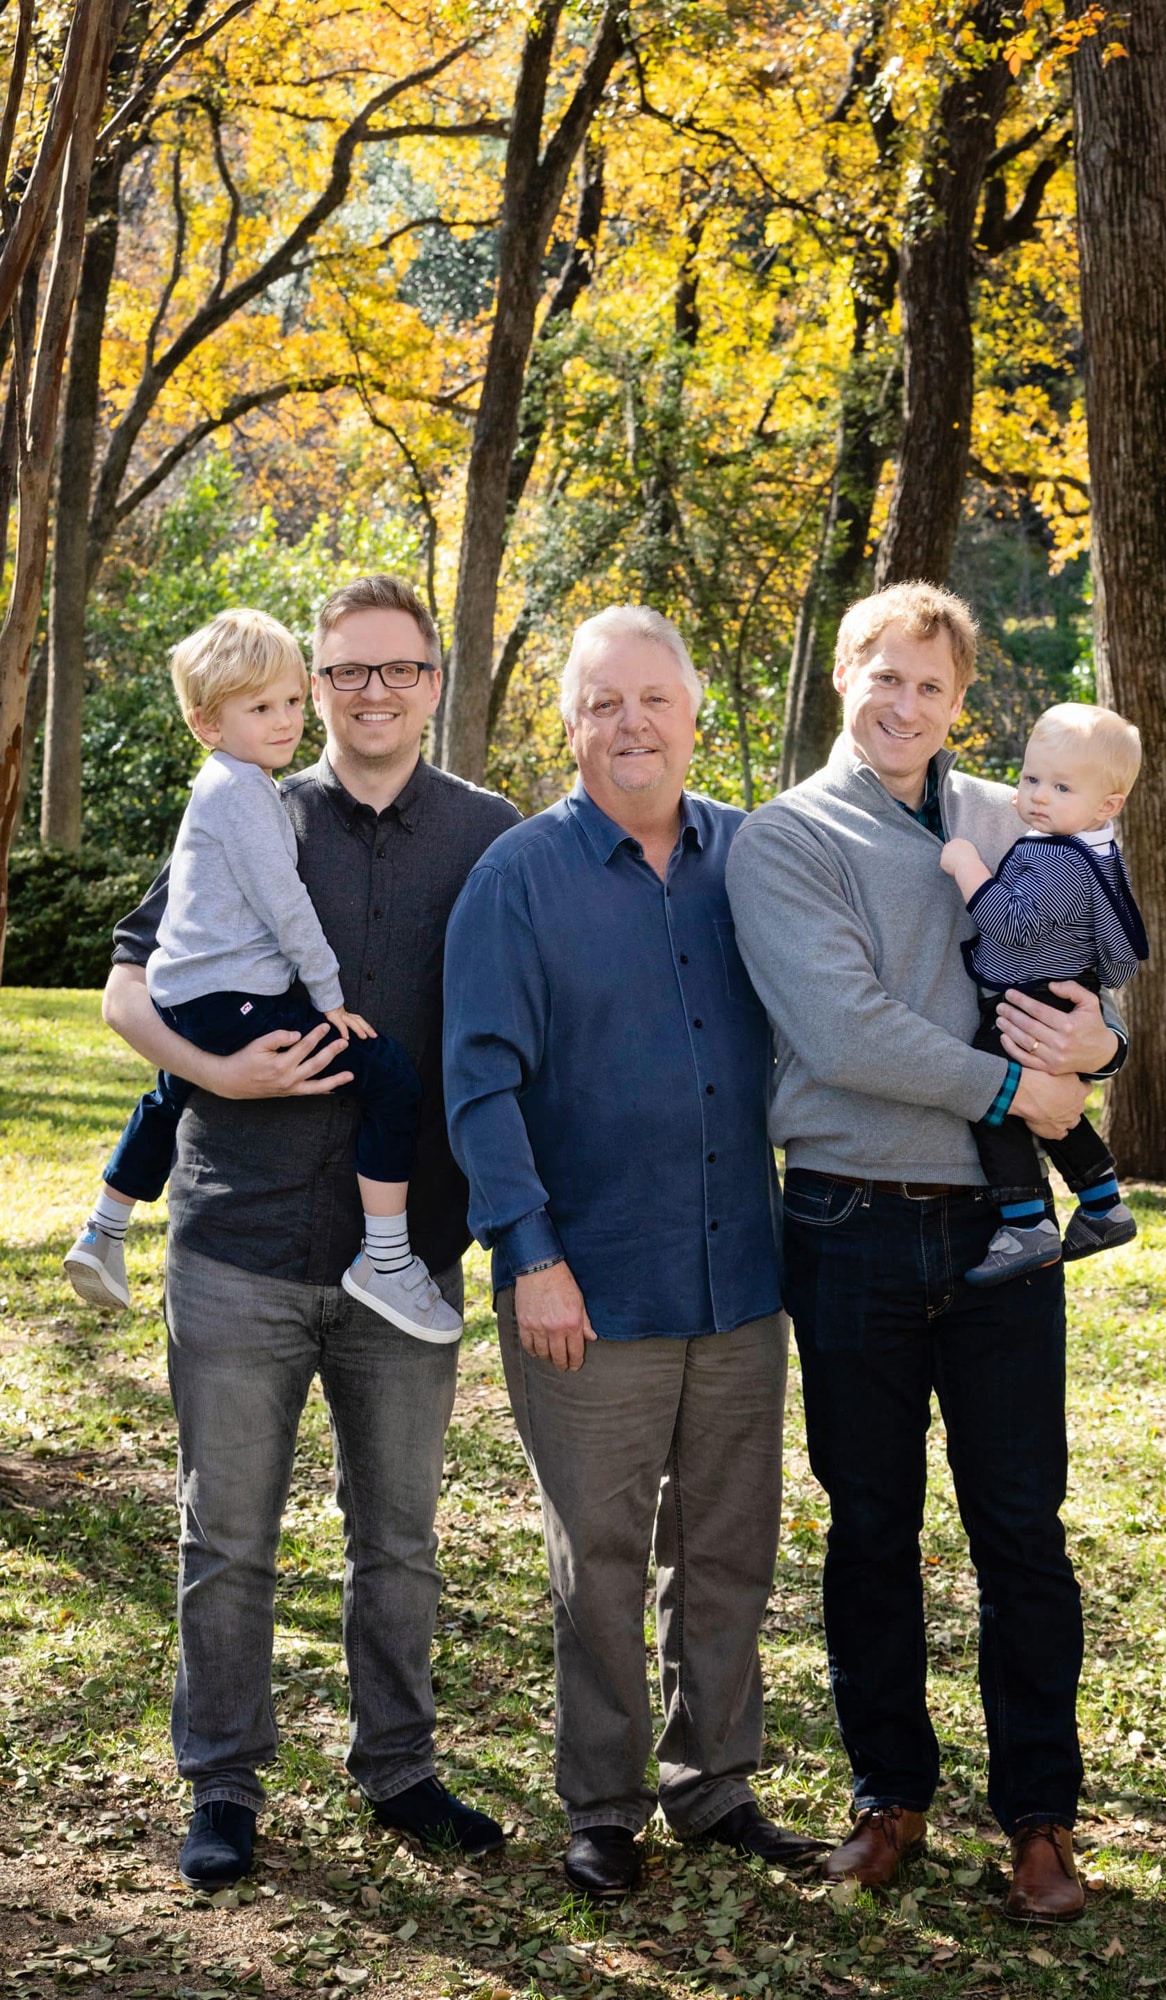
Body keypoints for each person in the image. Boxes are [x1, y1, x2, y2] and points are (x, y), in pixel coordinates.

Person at [100, 575, 519, 1891]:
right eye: (347, 672)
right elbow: (125, 986)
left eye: (399, 668)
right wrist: (214, 1075)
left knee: (396, 1539)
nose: (373, 692)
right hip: (240, 1242)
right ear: (315, 683)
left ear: (434, 680)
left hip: (409, 1260)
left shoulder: (494, 836)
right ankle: (220, 1782)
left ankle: (397, 1768)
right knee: (226, 1535)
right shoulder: (244, 805)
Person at [726, 583, 1129, 1925]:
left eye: (933, 688)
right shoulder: (784, 840)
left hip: (1000, 1238)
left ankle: (1040, 1823)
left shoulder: (1001, 816)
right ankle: (888, 1796)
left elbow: (1079, 964)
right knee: (871, 1528)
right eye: (882, 677)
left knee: (1020, 1528)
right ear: (844, 674)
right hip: (846, 1223)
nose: (905, 706)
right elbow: (841, 1034)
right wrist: (1021, 1095)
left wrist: (1098, 1046)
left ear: (962, 703)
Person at [443, 606, 822, 1900]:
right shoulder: (518, 877)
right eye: (603, 702)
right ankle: (602, 1804)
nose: (631, 724)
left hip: (738, 1276)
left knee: (726, 1545)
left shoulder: (755, 857)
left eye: (653, 698)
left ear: (694, 713)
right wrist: (529, 1253)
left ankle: (714, 1783)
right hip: (585, 1288)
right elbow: (478, 1085)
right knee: (595, 1558)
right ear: (568, 722)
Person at [65, 608, 459, 1342]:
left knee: (164, 1096)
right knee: (388, 1075)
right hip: (228, 1007)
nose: (281, 723)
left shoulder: (226, 786)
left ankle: (104, 1228)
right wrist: (329, 999)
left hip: (193, 996)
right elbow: (287, 908)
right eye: (261, 708)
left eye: (283, 703)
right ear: (207, 722)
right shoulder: (249, 796)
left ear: (433, 684)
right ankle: (386, 1257)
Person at [939, 701, 1149, 1286]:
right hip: (1054, 996)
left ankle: (1028, 1221)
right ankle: (1104, 1204)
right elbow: (1113, 950)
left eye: (1060, 786)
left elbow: (1004, 922)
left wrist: (964, 865)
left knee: (999, 1104)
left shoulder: (1059, 860)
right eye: (1031, 778)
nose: (1037, 796)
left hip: (1029, 1002)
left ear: (1107, 805)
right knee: (1050, 1110)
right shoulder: (1093, 853)